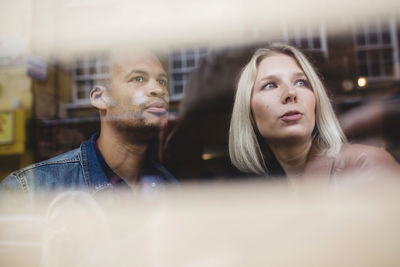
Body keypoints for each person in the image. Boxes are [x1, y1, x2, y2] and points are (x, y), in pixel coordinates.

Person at [0, 48, 177, 199]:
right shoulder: (29, 191)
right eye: (138, 78)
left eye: (162, 81)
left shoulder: (173, 192)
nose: (159, 89)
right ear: (100, 98)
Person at [229, 43, 399, 182]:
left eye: (301, 83)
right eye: (270, 85)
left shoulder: (367, 165)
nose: (290, 93)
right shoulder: (247, 190)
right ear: (249, 114)